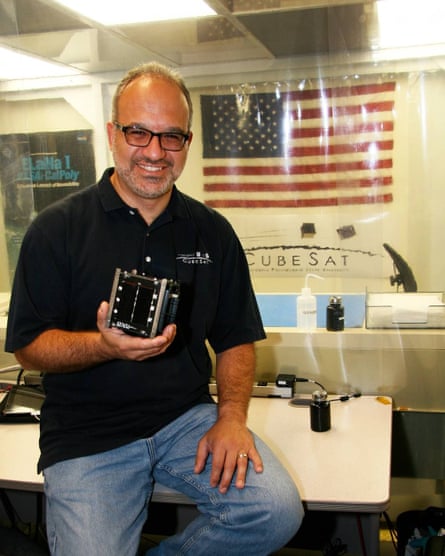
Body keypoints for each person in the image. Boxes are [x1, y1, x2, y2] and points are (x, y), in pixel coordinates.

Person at [5, 62, 304, 555]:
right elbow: (29, 350)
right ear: (111, 134)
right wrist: (104, 346)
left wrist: (231, 418)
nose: (154, 152)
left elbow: (235, 337)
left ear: (187, 142)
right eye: (138, 132)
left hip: (184, 420)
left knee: (274, 511)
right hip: (88, 433)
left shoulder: (211, 232)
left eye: (171, 137)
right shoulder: (56, 230)